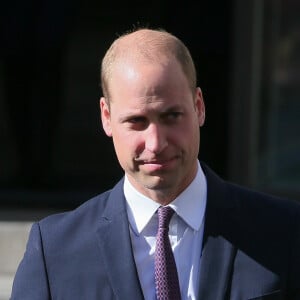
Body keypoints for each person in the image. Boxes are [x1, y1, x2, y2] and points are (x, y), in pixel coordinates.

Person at [11, 27, 300, 300]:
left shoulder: (284, 233)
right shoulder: (55, 251)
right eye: (136, 121)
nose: (156, 143)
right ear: (106, 117)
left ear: (198, 106)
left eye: (171, 116)